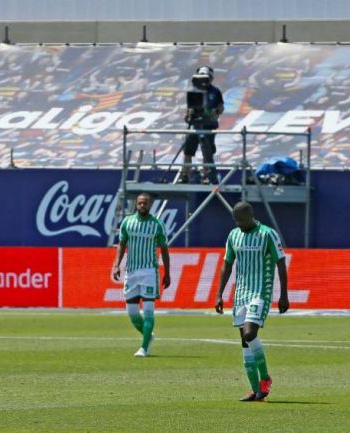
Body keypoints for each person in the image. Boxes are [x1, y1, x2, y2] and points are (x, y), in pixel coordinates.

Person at [215, 202, 289, 401]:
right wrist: (219, 294)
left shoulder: (268, 234)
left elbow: (281, 263)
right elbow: (227, 264)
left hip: (260, 292)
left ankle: (265, 378)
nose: (238, 223)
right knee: (244, 343)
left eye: (241, 220)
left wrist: (284, 294)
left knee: (249, 334)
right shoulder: (233, 235)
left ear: (250, 216)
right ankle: (256, 391)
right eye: (235, 220)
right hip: (240, 294)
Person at [111, 193, 171, 357]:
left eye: (145, 203)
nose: (142, 205)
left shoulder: (157, 225)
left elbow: (164, 249)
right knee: (132, 312)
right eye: (139, 203)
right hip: (131, 272)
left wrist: (167, 272)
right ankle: (148, 336)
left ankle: (144, 348)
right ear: (136, 204)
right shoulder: (127, 222)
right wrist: (116, 265)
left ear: (150, 205)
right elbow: (121, 245)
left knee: (149, 310)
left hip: (150, 271)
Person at [180, 65, 224, 185]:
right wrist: (188, 115)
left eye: (208, 77)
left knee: (207, 152)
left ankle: (206, 176)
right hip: (195, 126)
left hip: (209, 126)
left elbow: (220, 107)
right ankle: (185, 175)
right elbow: (189, 108)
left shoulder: (215, 91)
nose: (205, 80)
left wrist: (215, 113)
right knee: (188, 151)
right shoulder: (193, 91)